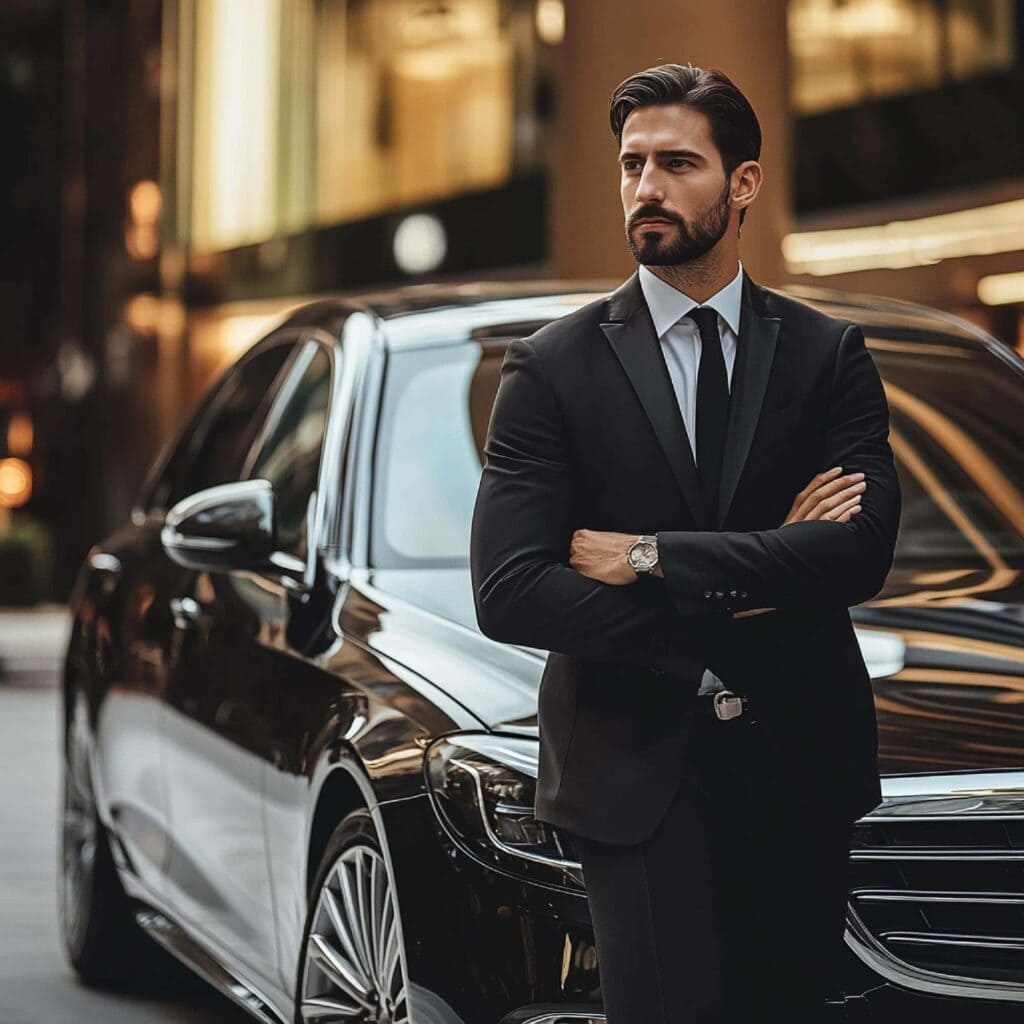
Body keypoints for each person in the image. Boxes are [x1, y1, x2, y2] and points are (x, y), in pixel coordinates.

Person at [469, 62, 901, 1024]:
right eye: (631, 165)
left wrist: (654, 556)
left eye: (676, 163)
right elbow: (510, 589)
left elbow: (860, 553)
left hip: (800, 766)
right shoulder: (551, 369)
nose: (646, 189)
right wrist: (754, 580)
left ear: (743, 182)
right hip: (635, 770)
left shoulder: (828, 356)